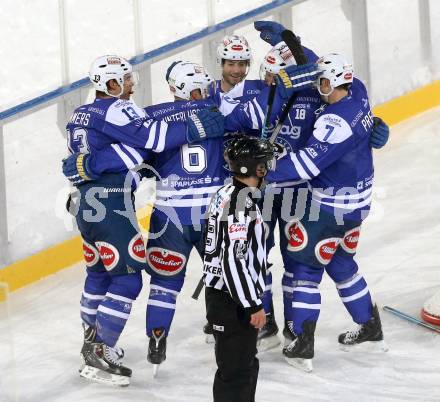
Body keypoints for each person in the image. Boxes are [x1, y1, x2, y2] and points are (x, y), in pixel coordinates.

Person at [62, 55, 224, 386]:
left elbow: (84, 160)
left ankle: (90, 339)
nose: (132, 85)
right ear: (110, 84)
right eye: (126, 79)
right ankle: (99, 349)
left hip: (84, 203)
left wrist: (88, 164)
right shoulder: (119, 109)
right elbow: (156, 141)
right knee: (128, 279)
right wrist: (195, 126)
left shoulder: (80, 112)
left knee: (98, 274)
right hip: (111, 203)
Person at [262, 51, 388, 372]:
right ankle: (369, 323)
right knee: (341, 260)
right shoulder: (358, 93)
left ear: (332, 81)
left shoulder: (334, 119)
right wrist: (292, 45)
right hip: (357, 206)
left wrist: (262, 170)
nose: (319, 85)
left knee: (304, 270)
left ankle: (303, 342)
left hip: (328, 209)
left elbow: (306, 164)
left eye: (322, 81)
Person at [203, 135, 274, 402]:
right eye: (262, 164)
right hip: (232, 301)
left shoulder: (226, 193)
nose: (266, 169)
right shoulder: (240, 206)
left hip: (225, 296)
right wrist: (252, 304)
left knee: (243, 365)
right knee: (236, 372)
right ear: (251, 168)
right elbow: (233, 261)